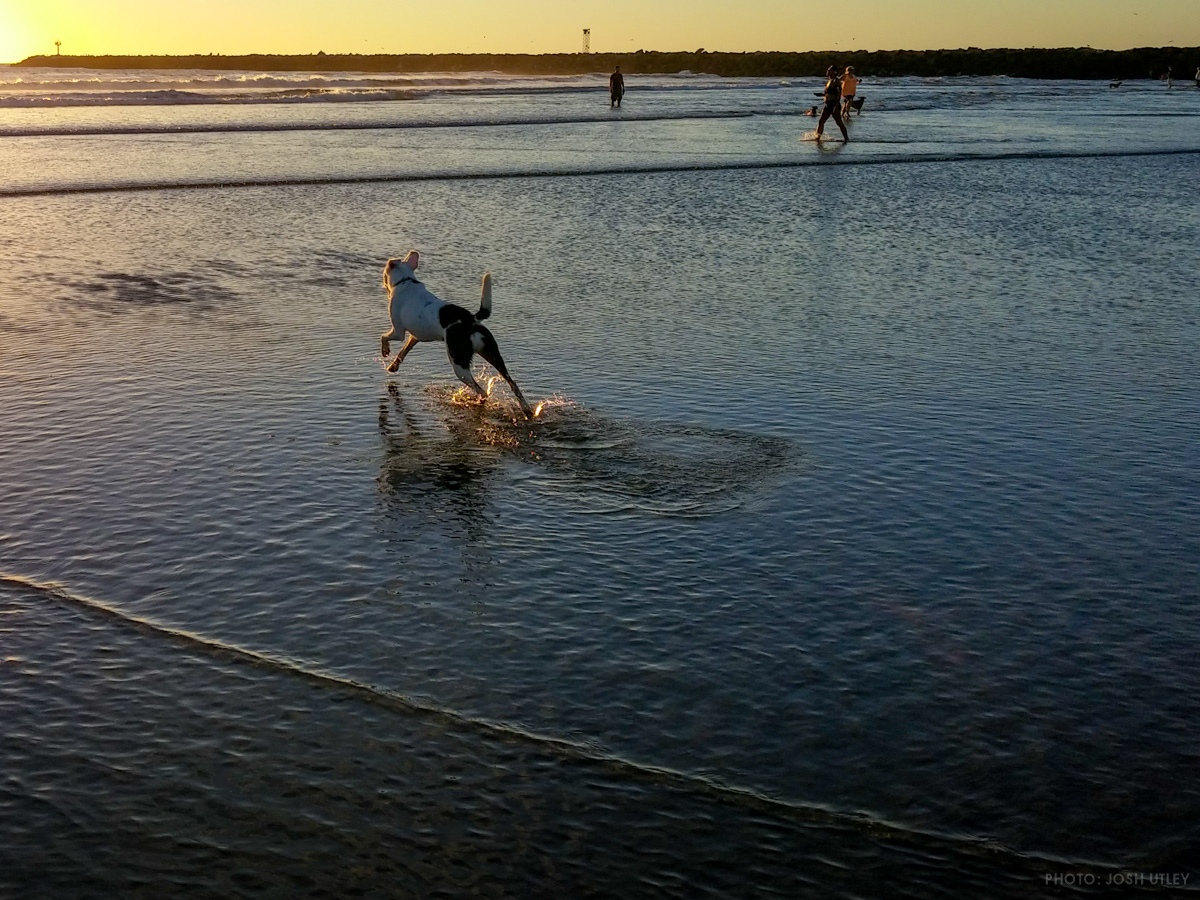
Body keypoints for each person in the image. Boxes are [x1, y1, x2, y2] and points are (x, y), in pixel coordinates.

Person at [815, 65, 848, 142]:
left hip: (833, 104)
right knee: (821, 121)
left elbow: (838, 94)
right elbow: (830, 93)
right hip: (828, 104)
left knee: (839, 122)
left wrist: (836, 106)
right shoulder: (830, 80)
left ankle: (846, 138)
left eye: (829, 70)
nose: (827, 71)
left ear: (834, 72)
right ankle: (817, 138)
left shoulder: (836, 81)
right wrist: (822, 95)